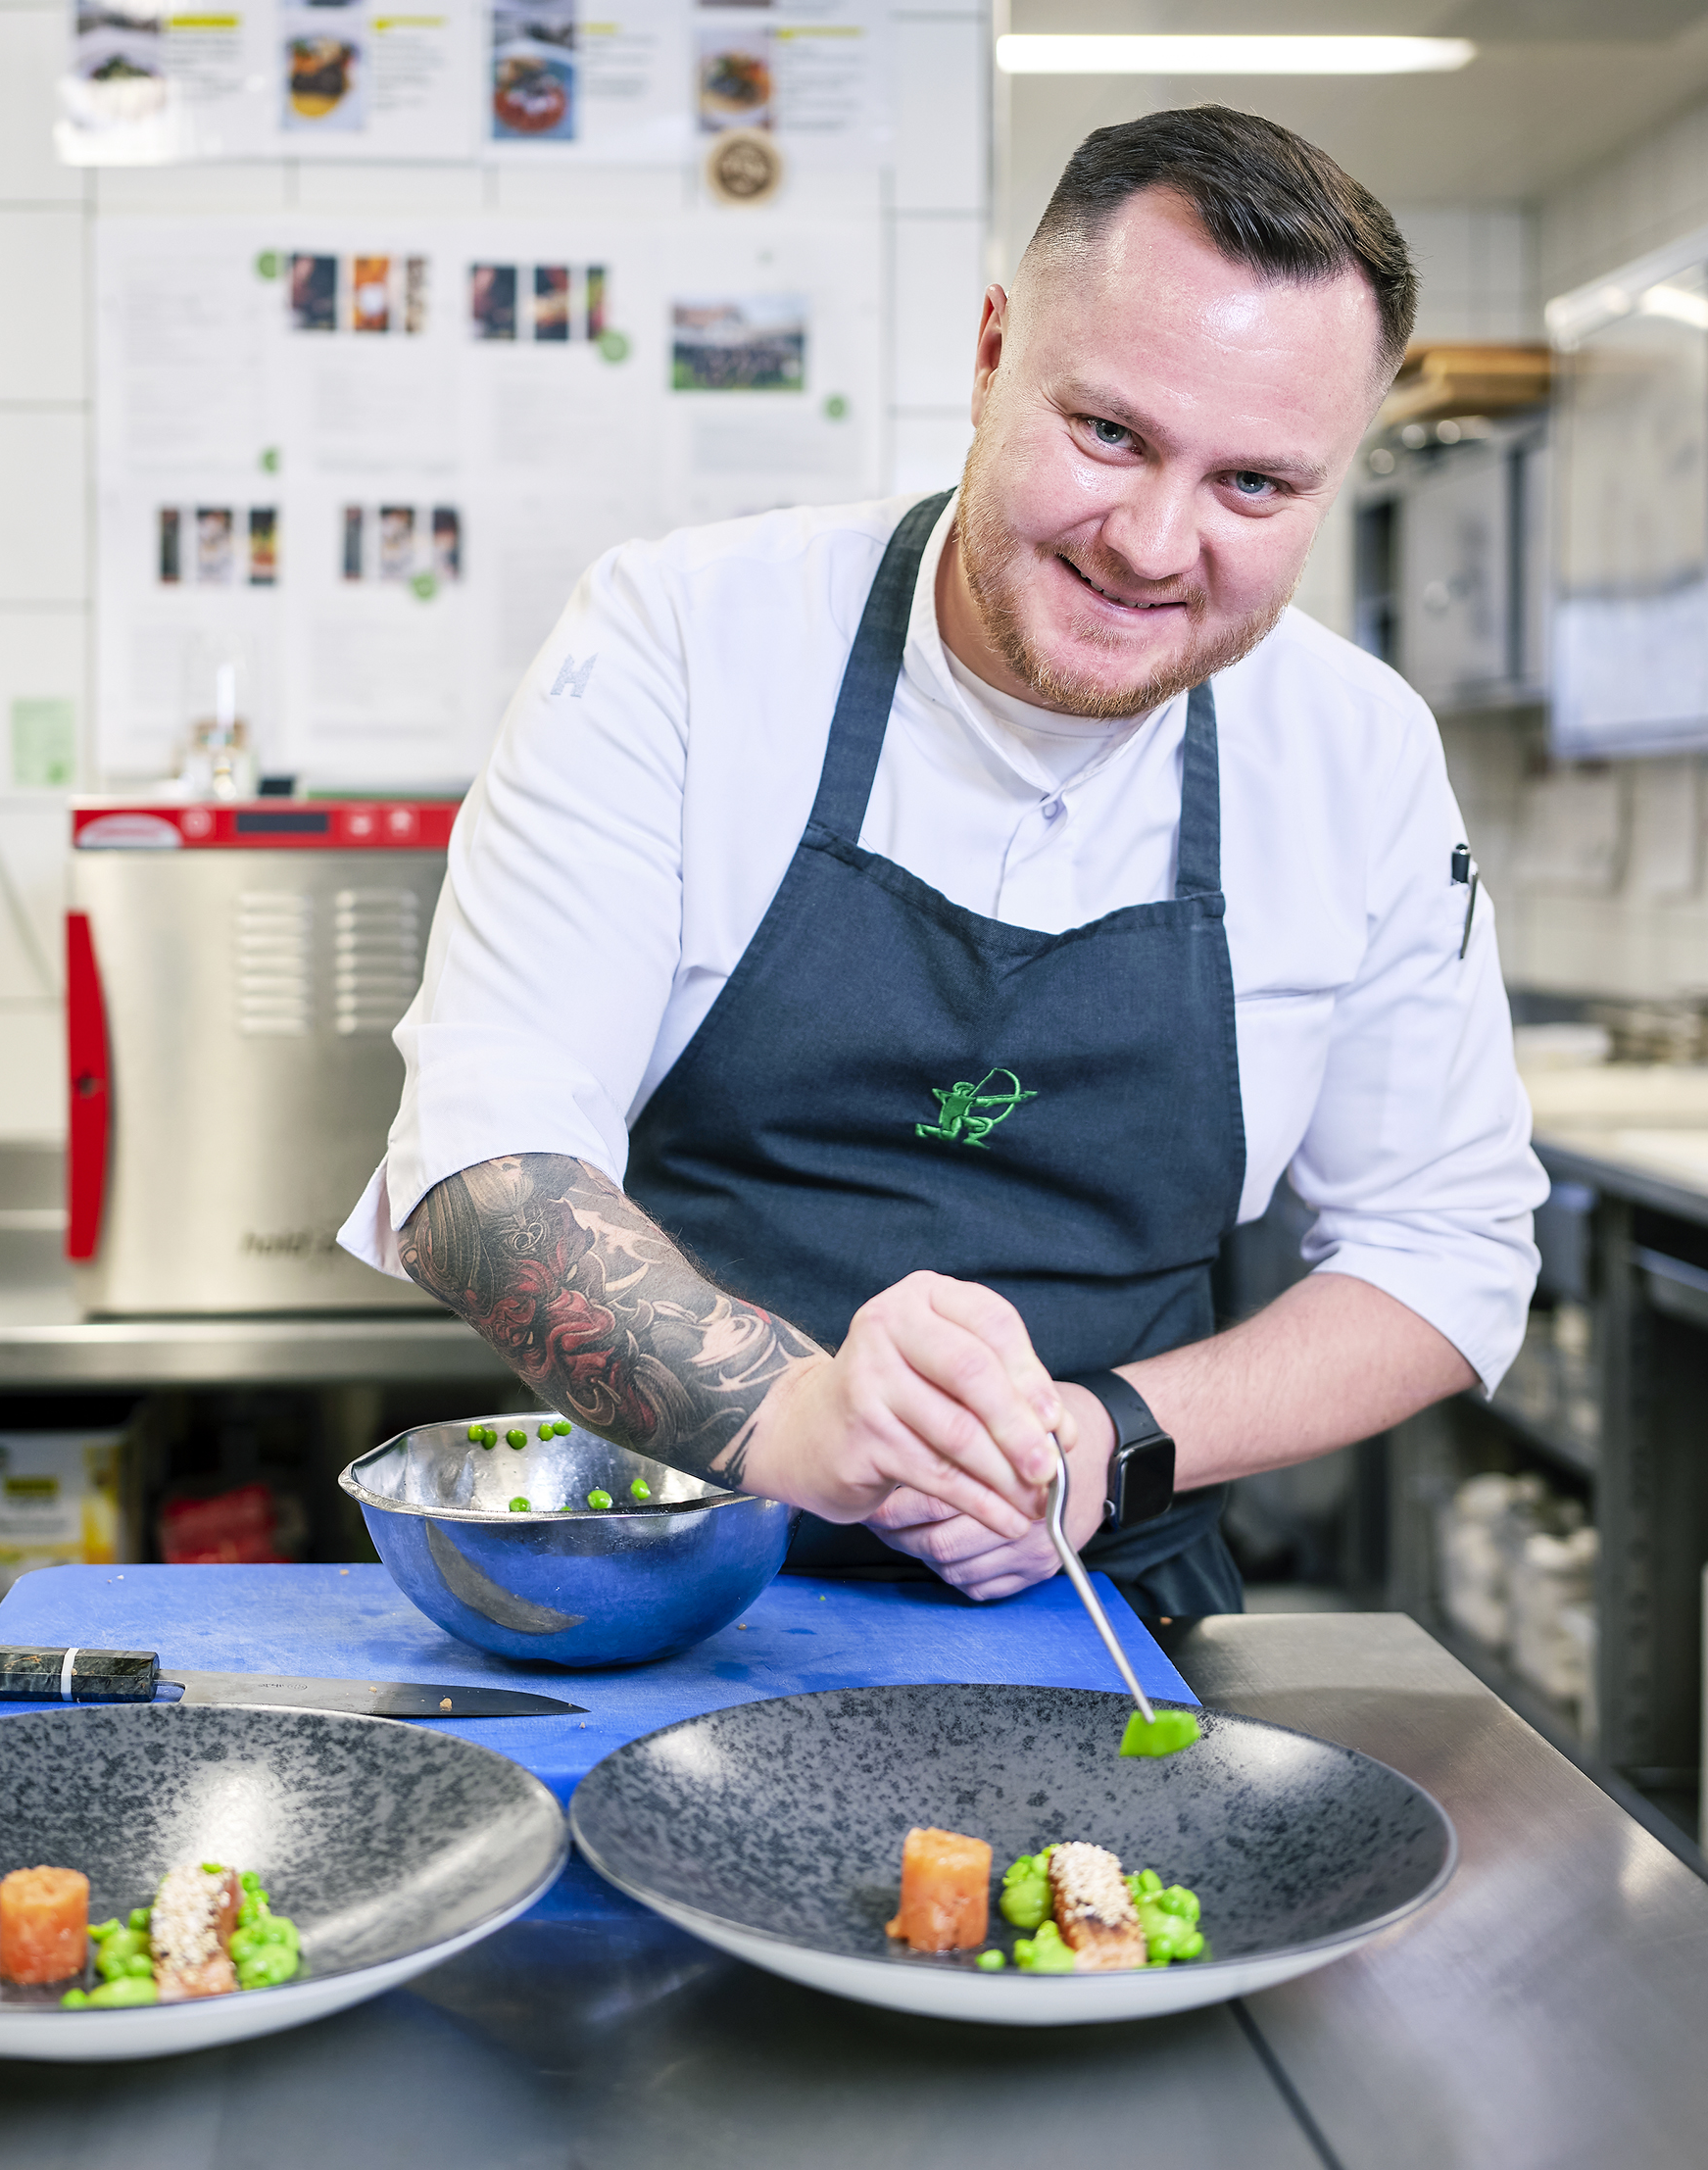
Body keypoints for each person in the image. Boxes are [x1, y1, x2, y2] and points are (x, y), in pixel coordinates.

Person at [339, 105, 1545, 1617]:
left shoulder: (1352, 750)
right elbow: (481, 1165)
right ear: (988, 358)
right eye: (1107, 434)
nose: (1152, 543)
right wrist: (800, 1419)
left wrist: (1100, 1442)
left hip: (1113, 1612)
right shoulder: (685, 640)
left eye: (1253, 485)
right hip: (670, 1590)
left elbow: (1445, 1247)